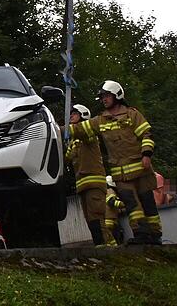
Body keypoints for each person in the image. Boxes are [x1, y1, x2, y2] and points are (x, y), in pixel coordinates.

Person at [70, 80, 162, 245]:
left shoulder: (132, 115)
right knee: (132, 205)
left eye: (107, 95)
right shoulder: (101, 120)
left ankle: (155, 236)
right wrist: (57, 129)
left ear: (117, 95)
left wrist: (146, 154)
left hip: (141, 168)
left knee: (148, 203)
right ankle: (140, 234)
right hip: (120, 174)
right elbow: (80, 129)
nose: (104, 99)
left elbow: (146, 135)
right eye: (102, 97)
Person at [66, 104, 108, 246]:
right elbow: (66, 157)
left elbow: (83, 133)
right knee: (90, 220)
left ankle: (108, 251)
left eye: (75, 113)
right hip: (82, 185)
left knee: (97, 218)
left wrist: (66, 130)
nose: (71, 116)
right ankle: (100, 248)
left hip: (94, 183)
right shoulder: (73, 142)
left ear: (83, 116)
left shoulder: (89, 135)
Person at [104, 175, 126, 246]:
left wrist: (121, 210)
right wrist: (125, 204)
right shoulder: (110, 191)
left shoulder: (104, 193)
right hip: (110, 221)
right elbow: (112, 202)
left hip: (110, 220)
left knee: (112, 241)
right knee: (116, 239)